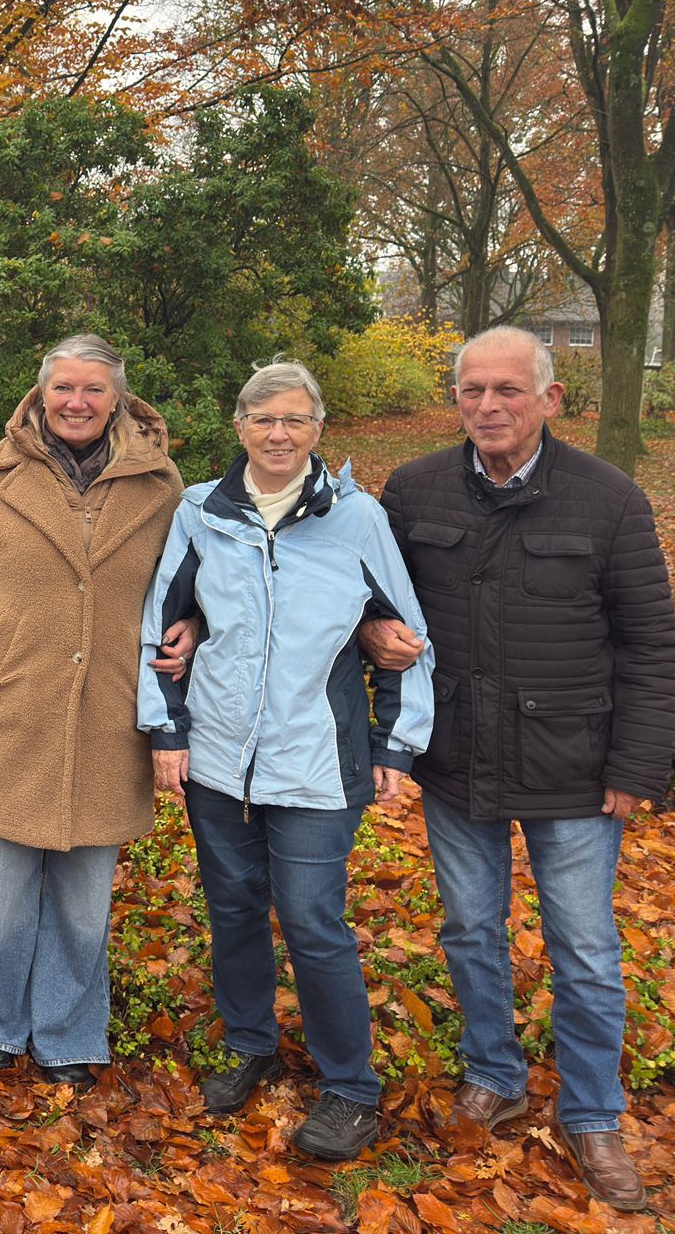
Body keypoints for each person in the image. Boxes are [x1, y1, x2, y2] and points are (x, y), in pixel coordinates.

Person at [362, 326, 675, 1211]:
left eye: (508, 390)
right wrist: (371, 631)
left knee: (585, 949)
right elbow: (368, 594)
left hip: (573, 764)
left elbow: (651, 645)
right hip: (458, 758)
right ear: (456, 399)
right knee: (471, 929)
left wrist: (636, 766)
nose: (489, 406)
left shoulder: (608, 498)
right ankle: (493, 1072)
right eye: (473, 390)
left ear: (550, 399)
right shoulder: (415, 489)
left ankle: (593, 1113)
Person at [138, 359, 433, 1159]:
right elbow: (163, 622)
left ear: (318, 430)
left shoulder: (357, 519)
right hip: (218, 757)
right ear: (239, 427)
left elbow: (407, 635)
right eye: (264, 419)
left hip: (316, 763)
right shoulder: (202, 512)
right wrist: (167, 731)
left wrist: (397, 742)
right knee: (233, 908)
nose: (278, 434)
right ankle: (250, 1045)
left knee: (311, 919)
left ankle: (351, 1088)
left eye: (295, 420)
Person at [0, 336, 183, 1082]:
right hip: (8, 709)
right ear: (41, 393)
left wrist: (190, 629)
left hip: (110, 716)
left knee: (83, 904)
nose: (77, 402)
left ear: (117, 399)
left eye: (94, 389)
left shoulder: (160, 484)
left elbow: (187, 585)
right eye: (64, 387)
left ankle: (69, 1035)